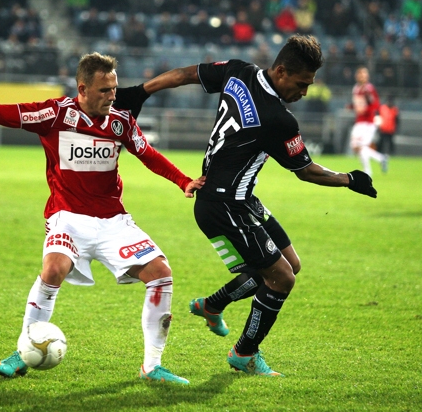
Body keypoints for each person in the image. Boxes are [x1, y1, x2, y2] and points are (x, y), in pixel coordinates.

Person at [0, 52, 204, 384]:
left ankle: (152, 366)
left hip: (112, 220)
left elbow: (148, 154)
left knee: (161, 274)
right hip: (68, 217)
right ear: (83, 88)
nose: (113, 96)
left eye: (114, 88)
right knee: (53, 269)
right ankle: (22, 352)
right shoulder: (55, 114)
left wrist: (183, 181)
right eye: (105, 90)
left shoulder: (120, 122)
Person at [114, 35, 377, 377]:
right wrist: (350, 179)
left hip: (241, 199)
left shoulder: (238, 71)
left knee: (290, 264)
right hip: (223, 206)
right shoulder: (279, 120)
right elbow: (307, 171)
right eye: (302, 84)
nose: (305, 92)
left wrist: (142, 91)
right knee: (281, 278)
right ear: (281, 71)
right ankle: (244, 353)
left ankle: (214, 305)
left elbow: (184, 74)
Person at [348, 66, 388, 176]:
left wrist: (366, 110)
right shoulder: (356, 88)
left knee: (362, 147)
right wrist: (351, 107)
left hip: (368, 122)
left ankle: (367, 171)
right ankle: (381, 158)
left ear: (367, 76)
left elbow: (375, 104)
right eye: (360, 74)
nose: (361, 76)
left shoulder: (369, 88)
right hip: (359, 121)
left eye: (364, 74)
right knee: (355, 147)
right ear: (357, 76)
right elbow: (358, 104)